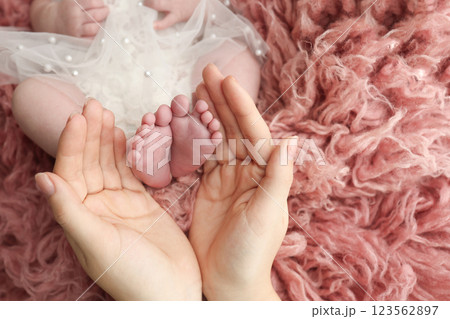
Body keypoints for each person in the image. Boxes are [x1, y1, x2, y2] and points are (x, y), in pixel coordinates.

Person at [34, 64, 296, 300]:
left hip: (151, 63)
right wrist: (241, 290)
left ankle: (130, 153)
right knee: (226, 74)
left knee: (34, 94)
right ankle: (149, 153)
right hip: (163, 68)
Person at [0, 0, 267, 188]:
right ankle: (122, 153)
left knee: (237, 53)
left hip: (183, 73)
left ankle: (207, 134)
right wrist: (58, 15)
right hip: (93, 85)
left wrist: (197, 6)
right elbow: (41, 8)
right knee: (30, 96)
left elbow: (226, 12)